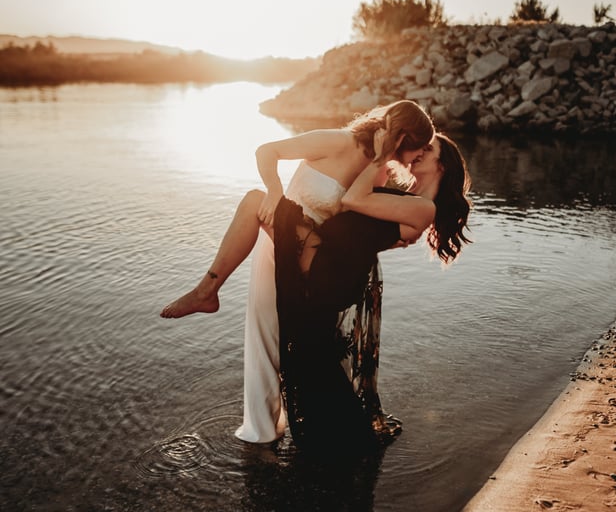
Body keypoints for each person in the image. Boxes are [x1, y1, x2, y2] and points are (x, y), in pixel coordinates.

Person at [160, 101, 435, 442]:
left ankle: (299, 423)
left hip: (314, 260)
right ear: (403, 136)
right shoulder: (338, 141)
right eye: (417, 148)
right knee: (265, 335)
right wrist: (275, 191)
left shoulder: (378, 170)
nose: (414, 159)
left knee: (295, 341)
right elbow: (267, 150)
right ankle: (261, 431)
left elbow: (361, 221)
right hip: (277, 237)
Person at [273, 131, 472, 455]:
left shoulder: (422, 208)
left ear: (443, 164)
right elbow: (362, 224)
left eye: (428, 147)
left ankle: (336, 451)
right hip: (335, 274)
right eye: (421, 145)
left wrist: (381, 153)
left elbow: (353, 201)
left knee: (310, 356)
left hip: (330, 277)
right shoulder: (403, 198)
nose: (420, 151)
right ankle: (336, 445)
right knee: (314, 357)